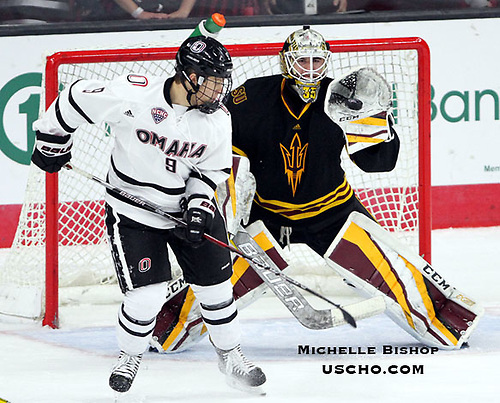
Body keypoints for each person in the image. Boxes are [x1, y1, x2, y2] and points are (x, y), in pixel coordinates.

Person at [30, 35, 266, 394]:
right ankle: (130, 355)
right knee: (146, 297)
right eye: (212, 81)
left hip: (187, 209)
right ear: (188, 76)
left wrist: (198, 208)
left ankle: (231, 354)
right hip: (134, 212)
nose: (219, 90)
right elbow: (75, 97)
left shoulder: (217, 119)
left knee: (216, 290)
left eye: (222, 81)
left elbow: (211, 172)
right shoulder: (133, 96)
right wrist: (51, 139)